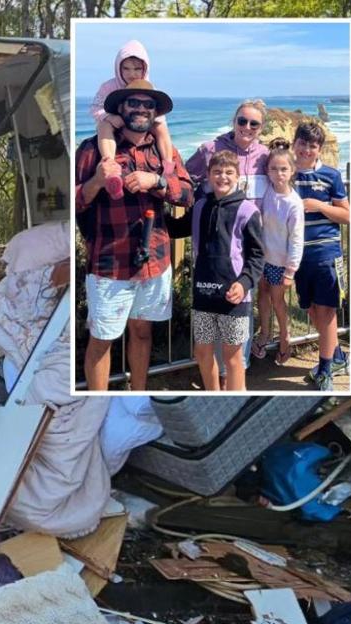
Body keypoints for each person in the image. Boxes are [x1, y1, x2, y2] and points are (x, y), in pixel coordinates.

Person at [75, 79, 192, 391]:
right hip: (110, 264)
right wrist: (97, 181)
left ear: (154, 113)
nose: (141, 109)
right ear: (120, 108)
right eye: (134, 103)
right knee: (102, 339)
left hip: (155, 261)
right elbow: (73, 201)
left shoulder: (165, 152)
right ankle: (97, 408)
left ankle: (137, 396)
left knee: (142, 332)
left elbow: (187, 194)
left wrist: (157, 181)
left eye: (147, 105)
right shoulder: (92, 150)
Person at [185, 100, 270, 378]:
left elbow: (284, 183)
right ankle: (220, 377)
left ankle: (235, 375)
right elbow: (185, 178)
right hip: (217, 246)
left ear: (261, 128)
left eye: (253, 123)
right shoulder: (211, 149)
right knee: (214, 316)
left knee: (240, 307)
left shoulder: (265, 156)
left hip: (249, 244)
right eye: (242, 121)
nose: (247, 127)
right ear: (234, 121)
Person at [166, 151, 263, 391]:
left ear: (238, 176)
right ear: (208, 175)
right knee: (202, 351)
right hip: (203, 296)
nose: (223, 177)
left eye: (229, 172)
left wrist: (244, 283)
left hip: (234, 298)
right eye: (217, 172)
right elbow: (176, 229)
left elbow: (258, 256)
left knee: (233, 357)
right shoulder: (200, 207)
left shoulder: (247, 211)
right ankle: (213, 395)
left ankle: (235, 399)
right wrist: (155, 206)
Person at [291, 121, 350, 391]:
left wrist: (318, 206)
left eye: (312, 145)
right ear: (295, 144)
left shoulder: (331, 176)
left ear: (319, 149)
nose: (306, 149)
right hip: (297, 254)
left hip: (326, 253)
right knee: (313, 309)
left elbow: (346, 215)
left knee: (326, 311)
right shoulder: (286, 173)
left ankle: (325, 371)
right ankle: (337, 357)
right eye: (302, 143)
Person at [89, 40, 176, 200]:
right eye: (126, 68)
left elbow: (159, 117)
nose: (132, 74)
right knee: (103, 126)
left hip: (140, 126)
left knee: (162, 127)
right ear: (118, 68)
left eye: (137, 69)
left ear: (145, 69)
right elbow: (95, 108)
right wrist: (109, 117)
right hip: (115, 124)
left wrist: (152, 121)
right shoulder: (109, 86)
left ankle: (168, 166)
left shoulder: (150, 87)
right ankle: (110, 165)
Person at [252, 140, 304, 366]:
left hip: (280, 263)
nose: (279, 173)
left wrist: (291, 270)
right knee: (261, 295)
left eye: (284, 169)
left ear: (292, 171)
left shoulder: (293, 203)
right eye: (274, 168)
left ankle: (284, 339)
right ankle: (264, 333)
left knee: (277, 301)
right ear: (267, 171)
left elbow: (296, 238)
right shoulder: (266, 192)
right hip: (262, 258)